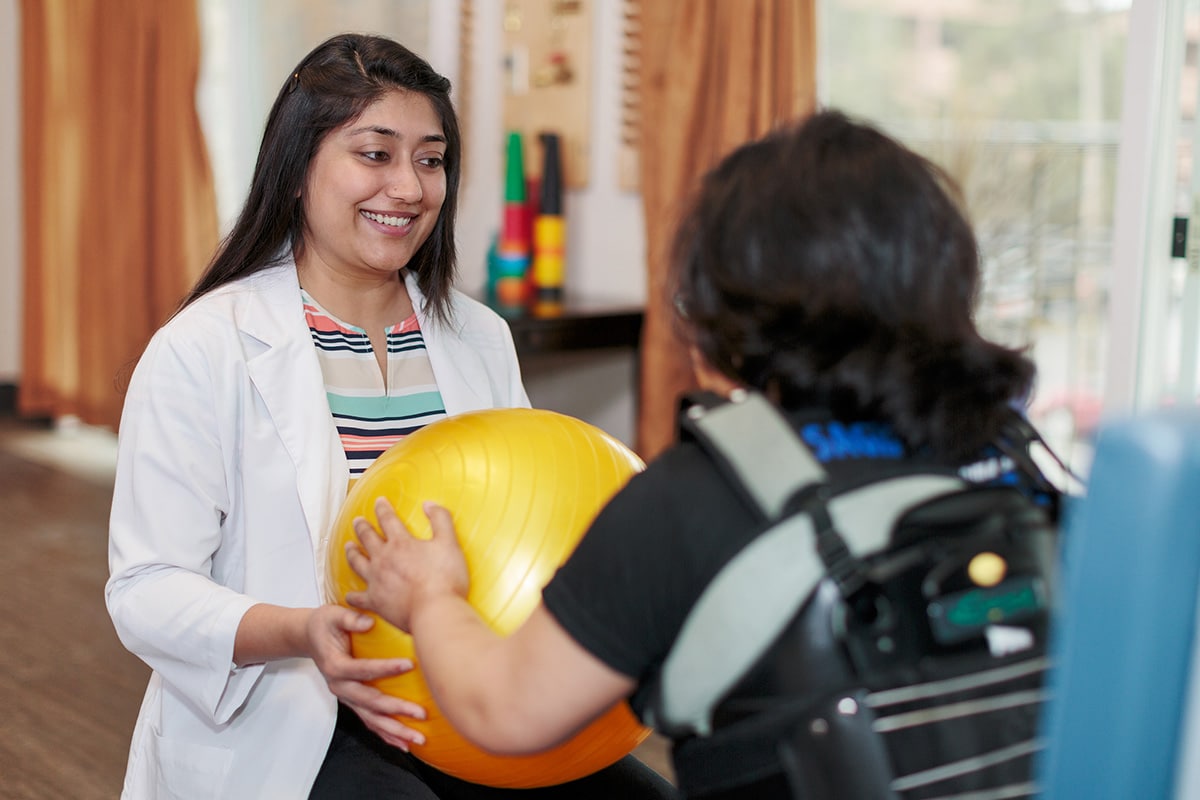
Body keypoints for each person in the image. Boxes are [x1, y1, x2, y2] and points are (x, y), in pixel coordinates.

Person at [342, 110, 1063, 798]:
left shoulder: (694, 499)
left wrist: (430, 595)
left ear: (731, 301)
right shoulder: (1014, 466)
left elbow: (505, 713)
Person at [105, 33, 675, 800]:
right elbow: (145, 587)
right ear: (298, 167)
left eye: (431, 159)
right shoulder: (207, 347)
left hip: (464, 686)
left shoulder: (478, 337)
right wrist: (304, 629)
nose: (408, 187)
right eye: (375, 154)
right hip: (295, 711)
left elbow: (530, 525)